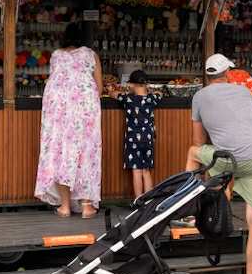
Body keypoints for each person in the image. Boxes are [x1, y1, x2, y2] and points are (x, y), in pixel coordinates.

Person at [186, 53, 252, 274]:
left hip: (229, 158)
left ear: (207, 75)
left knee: (195, 152)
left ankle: (190, 211)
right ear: (227, 73)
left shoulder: (199, 96)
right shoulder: (245, 92)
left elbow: (198, 141)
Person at [35, 22, 102, 218]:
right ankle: (87, 206)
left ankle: (64, 206)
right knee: (87, 154)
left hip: (58, 114)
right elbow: (99, 86)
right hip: (85, 113)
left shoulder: (56, 55)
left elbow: (54, 82)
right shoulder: (91, 55)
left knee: (61, 155)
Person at [117, 69, 162, 198]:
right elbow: (159, 94)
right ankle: (148, 201)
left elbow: (114, 94)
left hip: (133, 139)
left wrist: (112, 91)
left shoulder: (128, 99)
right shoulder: (151, 99)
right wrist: (152, 92)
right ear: (146, 84)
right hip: (148, 138)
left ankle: (139, 201)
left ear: (131, 84)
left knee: (136, 171)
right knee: (146, 171)